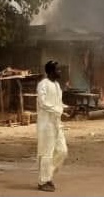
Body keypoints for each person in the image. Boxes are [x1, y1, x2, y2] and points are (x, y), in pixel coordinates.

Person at [37, 60, 68, 192]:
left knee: (62, 151)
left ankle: (47, 175)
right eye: (57, 70)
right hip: (46, 125)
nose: (60, 71)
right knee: (47, 153)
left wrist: (67, 109)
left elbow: (58, 103)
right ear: (50, 71)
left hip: (56, 123)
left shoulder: (57, 85)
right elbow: (43, 103)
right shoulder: (43, 84)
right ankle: (43, 181)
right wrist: (59, 110)